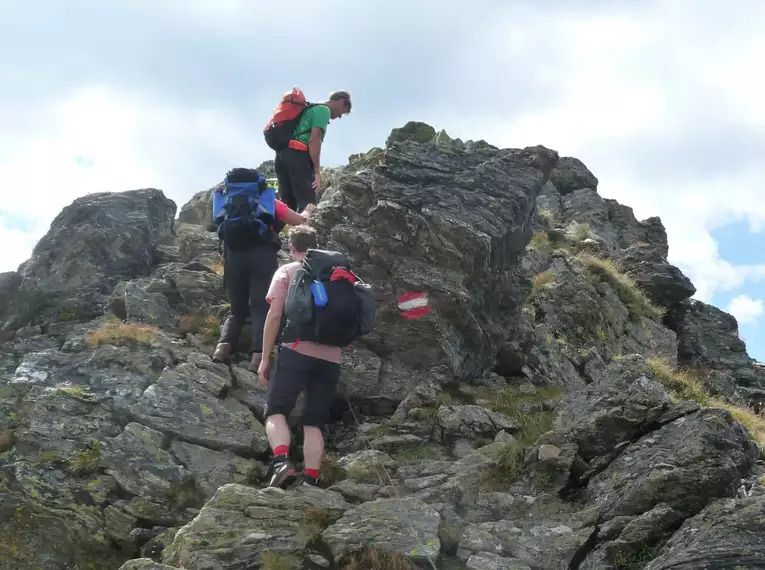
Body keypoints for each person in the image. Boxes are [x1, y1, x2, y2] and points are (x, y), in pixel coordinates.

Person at [257, 225, 342, 488]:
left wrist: (264, 357)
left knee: (275, 410)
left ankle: (282, 463)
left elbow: (274, 316)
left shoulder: (287, 271)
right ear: (317, 244)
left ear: (291, 247)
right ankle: (312, 481)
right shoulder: (335, 272)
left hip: (296, 350)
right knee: (314, 420)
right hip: (332, 356)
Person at [211, 195, 316, 372]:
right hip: (262, 257)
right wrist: (309, 209)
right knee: (261, 307)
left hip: (233, 258)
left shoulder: (228, 203)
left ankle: (223, 348)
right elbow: (299, 221)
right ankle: (257, 357)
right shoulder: (267, 202)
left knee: (237, 310)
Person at [274, 90, 352, 215]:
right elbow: (314, 139)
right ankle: (305, 233)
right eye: (342, 112)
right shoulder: (324, 110)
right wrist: (316, 170)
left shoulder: (310, 108)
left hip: (282, 156)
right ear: (341, 103)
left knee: (288, 206)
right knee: (309, 205)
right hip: (298, 156)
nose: (339, 116)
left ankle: (277, 232)